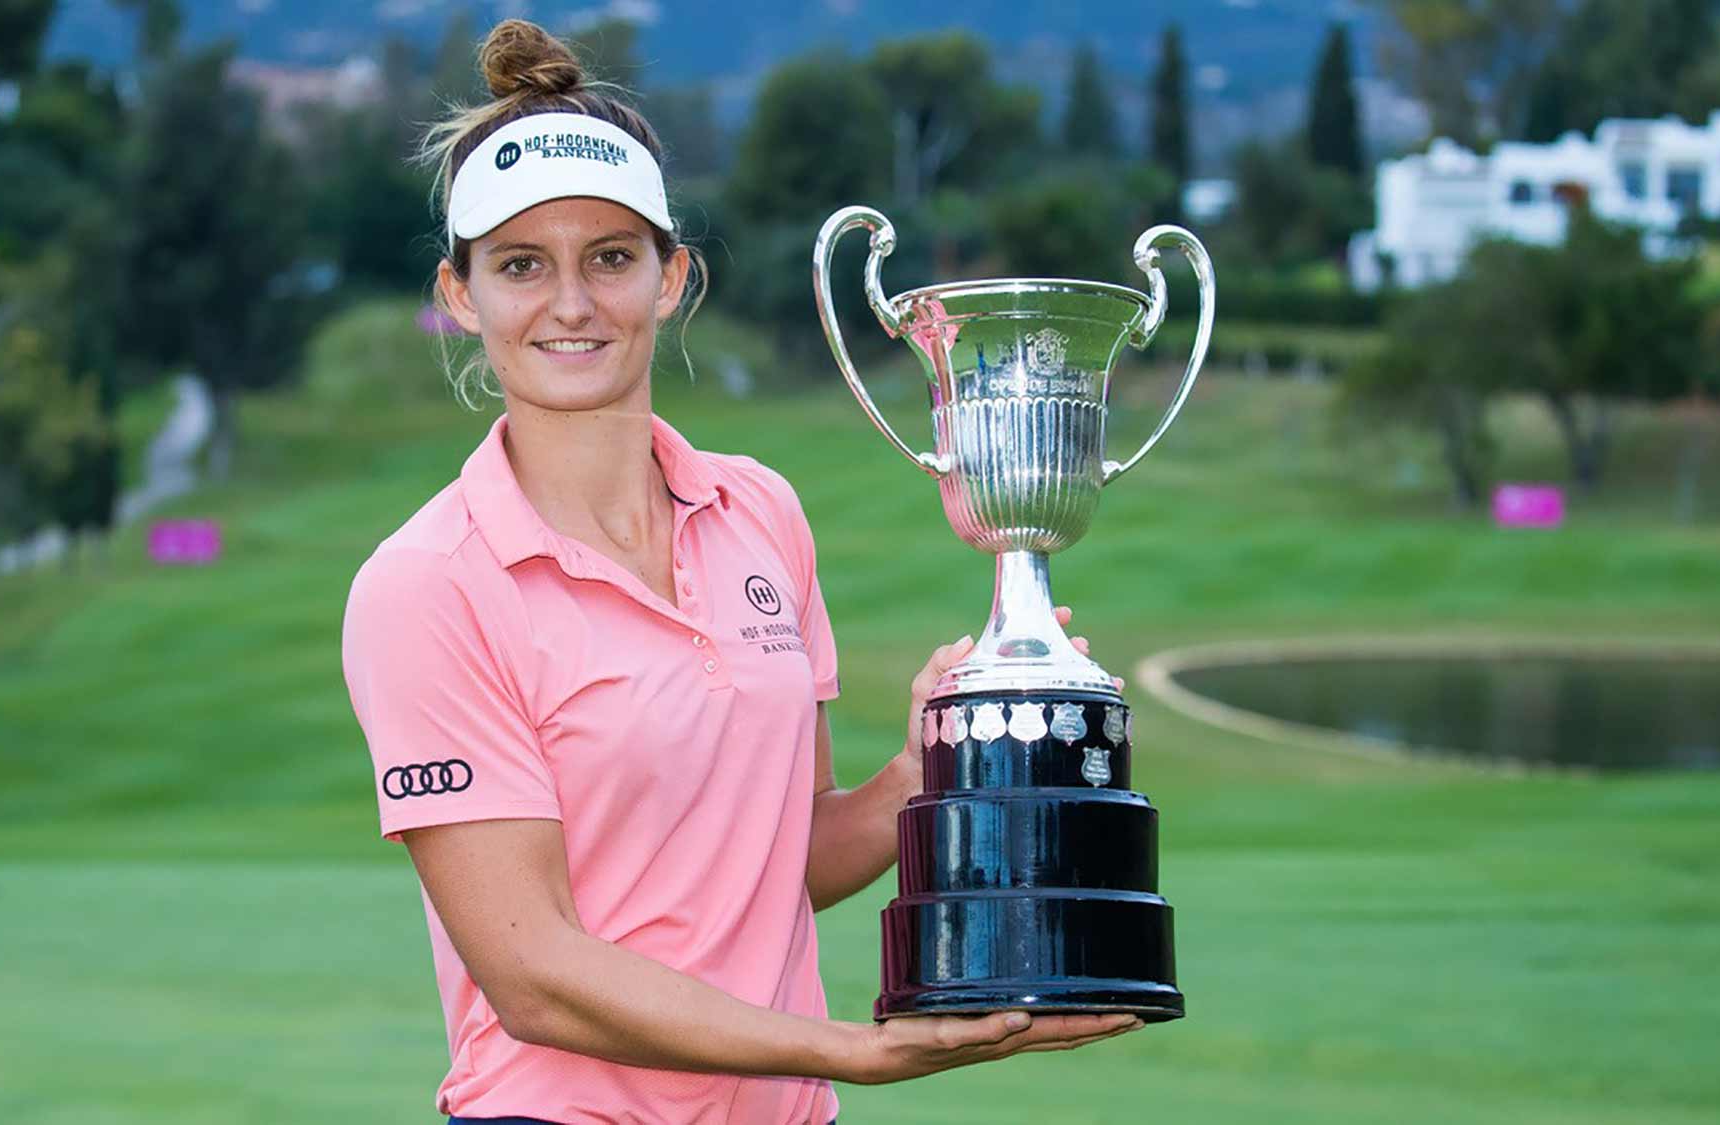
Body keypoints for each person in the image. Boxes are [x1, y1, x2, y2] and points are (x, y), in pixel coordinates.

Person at [339, 19, 1142, 1124]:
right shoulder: (427, 584)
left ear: (672, 277)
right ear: (462, 294)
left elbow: (779, 862)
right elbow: (531, 976)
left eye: (610, 259)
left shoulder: (758, 511)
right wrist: (842, 1050)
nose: (570, 304)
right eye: (522, 265)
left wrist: (923, 771)